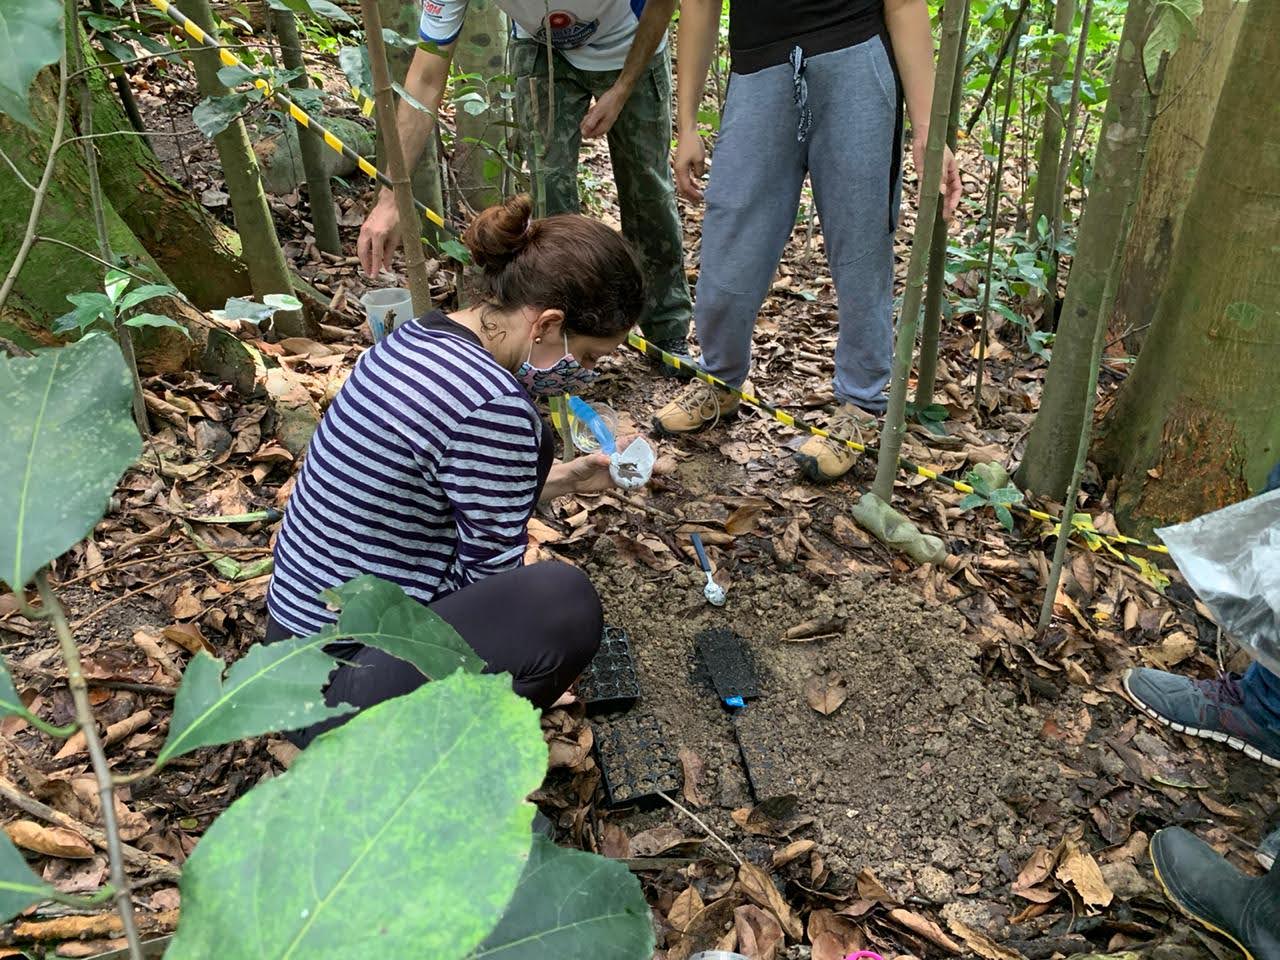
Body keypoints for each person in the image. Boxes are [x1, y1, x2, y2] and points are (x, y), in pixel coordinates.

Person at [268, 196, 645, 744]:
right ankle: (424, 761)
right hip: (335, 688)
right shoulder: (493, 406)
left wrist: (563, 480)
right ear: (548, 324)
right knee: (562, 606)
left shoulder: (421, 337)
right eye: (586, 356)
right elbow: (494, 584)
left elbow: (430, 491)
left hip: (295, 643)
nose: (581, 374)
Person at [652, 0, 964, 482]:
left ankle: (860, 404)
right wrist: (687, 125)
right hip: (758, 68)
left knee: (861, 244)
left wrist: (926, 127)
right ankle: (719, 378)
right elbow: (699, 5)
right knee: (730, 230)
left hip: (856, 59)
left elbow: (902, 4)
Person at [357, 0, 692, 367]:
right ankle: (558, 348)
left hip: (632, 42)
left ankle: (667, 333)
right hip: (542, 48)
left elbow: (662, 5)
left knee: (648, 194)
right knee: (551, 198)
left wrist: (623, 88)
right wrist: (389, 198)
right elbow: (425, 78)